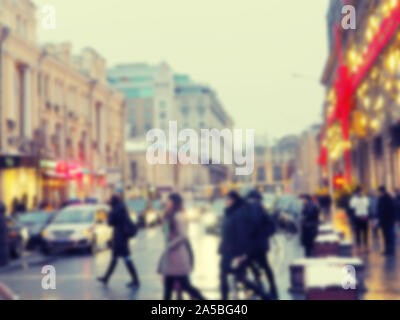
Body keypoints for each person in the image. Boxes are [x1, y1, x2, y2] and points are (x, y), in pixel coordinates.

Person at [219, 191, 269, 300]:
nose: (226, 202)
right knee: (229, 277)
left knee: (239, 278)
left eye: (228, 199)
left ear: (233, 200)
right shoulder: (230, 212)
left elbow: (242, 235)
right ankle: (264, 295)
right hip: (227, 251)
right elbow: (226, 233)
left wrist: (241, 254)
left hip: (234, 253)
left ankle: (264, 295)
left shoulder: (238, 214)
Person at [158, 193, 204, 300]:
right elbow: (165, 232)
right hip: (171, 257)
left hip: (178, 257)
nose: (167, 203)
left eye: (169, 201)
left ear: (174, 203)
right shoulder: (170, 215)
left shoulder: (178, 216)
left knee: (185, 286)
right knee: (170, 287)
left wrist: (171, 244)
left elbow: (183, 236)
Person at [97, 194, 140, 288]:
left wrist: (109, 213)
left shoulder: (115, 210)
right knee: (117, 259)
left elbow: (110, 223)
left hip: (119, 239)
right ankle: (106, 278)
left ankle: (136, 280)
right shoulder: (122, 208)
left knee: (125, 259)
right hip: (122, 237)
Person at [246, 190, 278, 299]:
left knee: (248, 264)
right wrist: (264, 234)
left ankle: (259, 286)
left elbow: (250, 226)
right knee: (265, 266)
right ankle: (272, 288)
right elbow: (271, 226)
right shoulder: (261, 208)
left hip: (252, 244)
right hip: (260, 244)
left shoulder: (250, 208)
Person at [377, 186, 396, 256]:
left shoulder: (388, 199)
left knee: (389, 236)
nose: (378, 193)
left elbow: (392, 210)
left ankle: (391, 251)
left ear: (382, 192)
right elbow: (379, 209)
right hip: (383, 221)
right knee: (385, 236)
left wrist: (392, 220)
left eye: (379, 192)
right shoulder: (381, 199)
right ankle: (387, 250)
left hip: (388, 222)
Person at [0, 202, 8, 267]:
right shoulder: (3, 217)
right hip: (4, 236)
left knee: (2, 249)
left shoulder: (1, 217)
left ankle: (3, 262)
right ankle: (4, 262)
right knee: (3, 248)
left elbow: (2, 227)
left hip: (2, 236)